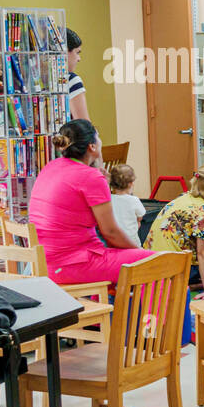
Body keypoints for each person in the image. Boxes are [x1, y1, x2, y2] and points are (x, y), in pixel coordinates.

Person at [28, 119, 155, 286]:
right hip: (72, 264)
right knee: (158, 263)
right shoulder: (91, 177)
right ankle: (153, 313)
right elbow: (111, 233)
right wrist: (139, 252)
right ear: (92, 146)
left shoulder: (51, 166)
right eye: (98, 137)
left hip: (48, 262)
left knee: (135, 260)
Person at [146, 164, 204, 299]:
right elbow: (202, 254)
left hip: (151, 261)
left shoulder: (184, 197)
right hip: (173, 266)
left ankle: (176, 285)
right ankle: (182, 286)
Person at [107, 163, 145, 245]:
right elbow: (140, 217)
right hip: (131, 241)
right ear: (130, 183)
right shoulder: (134, 200)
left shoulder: (108, 199)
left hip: (113, 241)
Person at [66, 28, 89, 122]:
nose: (78, 59)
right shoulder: (71, 80)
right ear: (65, 51)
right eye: (77, 52)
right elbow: (84, 125)